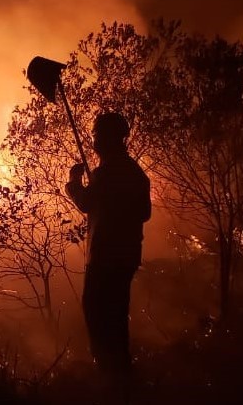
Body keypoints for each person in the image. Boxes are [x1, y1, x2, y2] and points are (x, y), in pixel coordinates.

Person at [65, 112, 151, 394]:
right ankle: (123, 376)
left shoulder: (106, 173)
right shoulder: (135, 173)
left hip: (104, 256)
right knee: (117, 315)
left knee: (96, 312)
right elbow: (145, 213)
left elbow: (85, 203)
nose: (94, 140)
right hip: (127, 255)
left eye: (98, 134)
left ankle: (109, 378)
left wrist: (74, 182)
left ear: (110, 138)